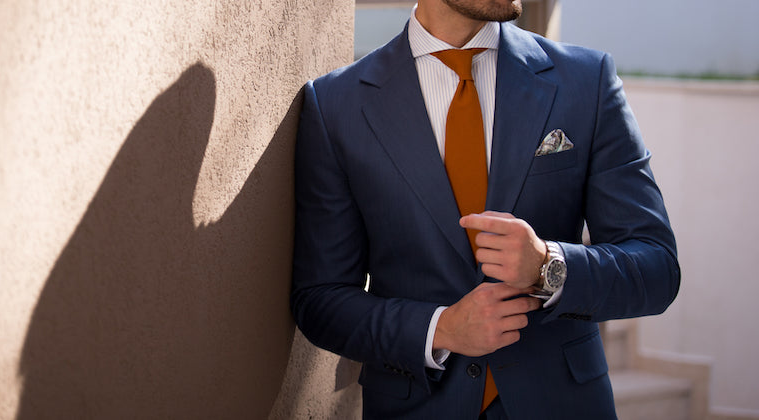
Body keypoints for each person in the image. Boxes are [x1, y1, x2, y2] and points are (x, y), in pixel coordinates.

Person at [289, 0, 680, 418]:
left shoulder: (586, 81)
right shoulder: (336, 105)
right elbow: (321, 299)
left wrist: (550, 266)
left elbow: (657, 268)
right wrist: (440, 329)